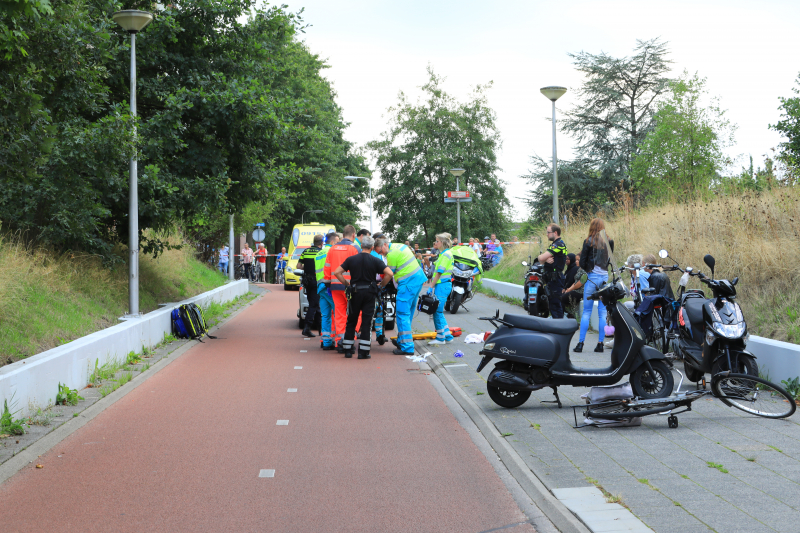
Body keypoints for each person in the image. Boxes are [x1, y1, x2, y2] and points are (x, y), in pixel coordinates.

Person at [333, 236, 394, 359]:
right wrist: (380, 286)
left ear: (361, 246)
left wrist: (347, 284)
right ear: (372, 247)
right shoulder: (375, 260)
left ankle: (348, 350)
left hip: (355, 292)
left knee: (351, 321)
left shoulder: (351, 259)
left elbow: (337, 272)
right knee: (367, 322)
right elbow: (389, 273)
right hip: (370, 294)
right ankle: (363, 352)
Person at [375, 238, 427, 355]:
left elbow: (389, 275)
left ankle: (406, 347)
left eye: (381, 251)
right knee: (408, 313)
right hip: (417, 280)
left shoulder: (391, 255)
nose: (381, 254)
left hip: (407, 284)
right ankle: (402, 340)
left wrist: (381, 285)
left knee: (402, 314)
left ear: (385, 245)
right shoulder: (400, 246)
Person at [576, 218, 612, 353]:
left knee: (586, 311)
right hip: (604, 279)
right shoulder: (609, 241)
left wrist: (588, 270)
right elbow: (609, 260)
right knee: (602, 313)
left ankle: (580, 344)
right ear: (603, 227)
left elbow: (582, 262)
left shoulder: (588, 241)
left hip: (591, 278)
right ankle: (600, 344)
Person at [325, 225, 360, 351]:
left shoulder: (333, 248)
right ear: (353, 235)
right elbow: (359, 266)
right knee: (355, 312)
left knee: (339, 313)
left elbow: (327, 267)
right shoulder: (355, 248)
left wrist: (328, 283)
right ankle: (350, 338)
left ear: (343, 235)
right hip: (351, 286)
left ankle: (339, 340)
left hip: (335, 286)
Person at [428, 233, 455, 345]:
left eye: (437, 241)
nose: (435, 243)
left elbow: (439, 272)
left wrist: (431, 286)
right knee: (439, 312)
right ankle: (447, 335)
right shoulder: (444, 253)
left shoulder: (445, 255)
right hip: (443, 285)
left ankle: (440, 338)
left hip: (442, 285)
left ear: (443, 242)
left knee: (437, 312)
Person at [537, 224, 567, 319]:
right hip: (552, 279)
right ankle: (557, 327)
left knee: (555, 305)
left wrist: (543, 258)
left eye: (548, 232)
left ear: (555, 233)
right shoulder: (555, 244)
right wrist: (545, 259)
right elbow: (541, 259)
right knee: (553, 305)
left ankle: (559, 328)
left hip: (555, 279)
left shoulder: (558, 245)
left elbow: (541, 257)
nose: (547, 234)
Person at [297, 234, 323, 338]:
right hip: (317, 281)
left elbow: (298, 266)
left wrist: (307, 267)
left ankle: (320, 329)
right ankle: (307, 328)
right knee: (314, 305)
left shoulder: (306, 251)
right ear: (321, 243)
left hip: (307, 281)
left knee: (314, 304)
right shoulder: (320, 252)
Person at [317, 232, 339, 350]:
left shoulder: (319, 253)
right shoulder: (332, 251)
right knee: (337, 314)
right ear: (332, 242)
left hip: (320, 287)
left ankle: (326, 342)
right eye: (337, 241)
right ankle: (336, 341)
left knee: (325, 315)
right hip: (330, 287)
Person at [561, 253, 585, 319]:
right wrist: (568, 289)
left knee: (562, 298)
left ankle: (561, 317)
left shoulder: (584, 270)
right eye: (576, 260)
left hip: (580, 291)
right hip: (576, 289)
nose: (576, 261)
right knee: (562, 295)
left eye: (578, 260)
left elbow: (580, 283)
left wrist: (569, 289)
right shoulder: (579, 269)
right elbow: (575, 282)